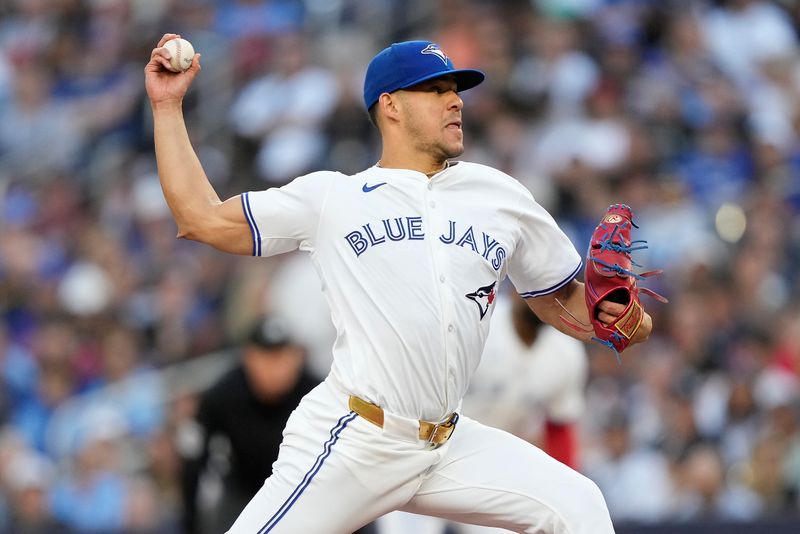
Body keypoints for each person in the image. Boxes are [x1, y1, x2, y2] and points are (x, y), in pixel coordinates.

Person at [145, 34, 654, 533]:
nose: (455, 100)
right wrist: (167, 108)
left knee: (579, 506)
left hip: (447, 442)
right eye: (434, 89)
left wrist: (618, 318)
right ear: (390, 105)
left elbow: (561, 300)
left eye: (456, 89)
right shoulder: (334, 199)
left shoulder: (499, 196)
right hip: (358, 437)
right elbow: (201, 218)